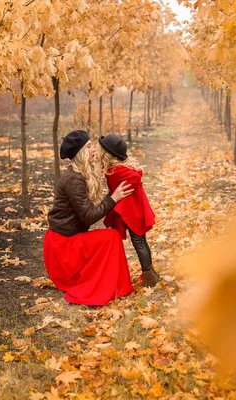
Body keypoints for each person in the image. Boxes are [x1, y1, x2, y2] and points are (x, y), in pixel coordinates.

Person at [43, 130, 135, 306]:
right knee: (112, 237)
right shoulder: (74, 180)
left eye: (92, 145)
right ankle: (113, 286)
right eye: (89, 146)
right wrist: (113, 198)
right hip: (62, 249)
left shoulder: (81, 174)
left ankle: (114, 284)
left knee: (109, 236)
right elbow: (88, 217)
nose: (94, 149)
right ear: (80, 153)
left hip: (66, 242)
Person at [97, 134, 159, 287]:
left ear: (107, 154)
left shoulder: (116, 171)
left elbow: (134, 178)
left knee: (139, 242)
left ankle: (149, 275)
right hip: (134, 210)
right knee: (141, 242)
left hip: (132, 213)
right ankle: (150, 272)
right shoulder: (118, 168)